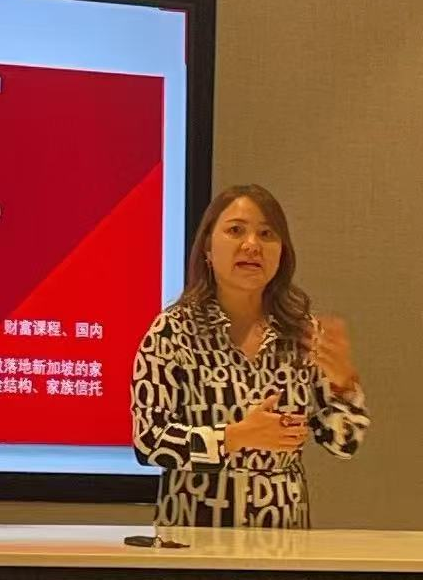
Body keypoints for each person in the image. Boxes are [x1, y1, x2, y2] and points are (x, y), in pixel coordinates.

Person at [130, 184, 368, 528]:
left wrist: (344, 386)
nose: (252, 245)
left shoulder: (301, 332)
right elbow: (149, 442)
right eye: (236, 230)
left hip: (284, 539)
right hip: (194, 536)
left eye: (267, 234)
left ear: (282, 252)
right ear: (208, 248)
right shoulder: (172, 332)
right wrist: (234, 437)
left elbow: (342, 444)